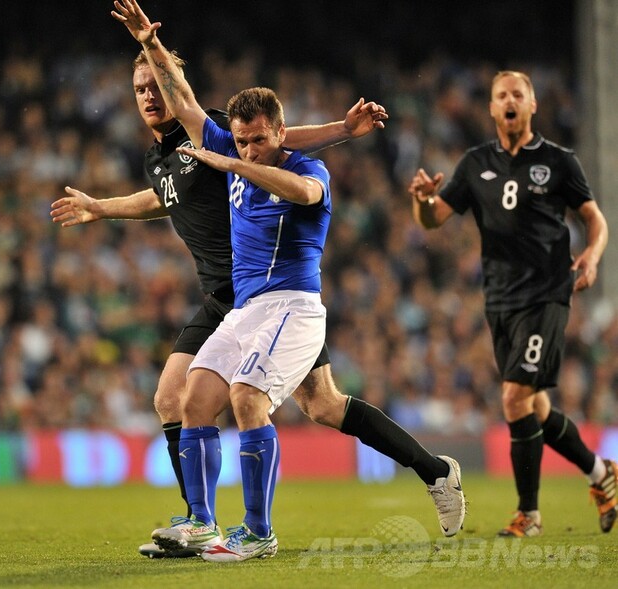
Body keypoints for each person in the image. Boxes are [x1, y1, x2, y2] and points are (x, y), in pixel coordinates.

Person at [103, 0, 465, 562]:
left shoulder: (303, 168)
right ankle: (202, 522)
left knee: (252, 399)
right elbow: (185, 101)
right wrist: (149, 43)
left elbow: (304, 193)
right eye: (240, 142)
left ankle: (257, 531)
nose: (246, 148)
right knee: (236, 400)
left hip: (291, 307)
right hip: (243, 309)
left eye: (257, 140)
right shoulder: (212, 148)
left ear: (280, 134)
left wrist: (236, 163)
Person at [408, 70, 616, 537]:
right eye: (502, 94)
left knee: (514, 396)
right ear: (491, 107)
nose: (510, 100)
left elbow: (595, 218)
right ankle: (601, 471)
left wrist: (592, 255)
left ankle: (529, 514)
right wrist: (422, 201)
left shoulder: (559, 161)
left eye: (518, 94)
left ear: (532, 104)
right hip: (500, 299)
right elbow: (433, 219)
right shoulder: (475, 162)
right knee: (534, 406)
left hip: (547, 292)